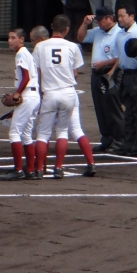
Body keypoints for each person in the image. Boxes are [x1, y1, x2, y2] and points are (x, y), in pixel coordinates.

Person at [32, 15, 97, 178]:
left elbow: (37, 72)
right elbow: (75, 74)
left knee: (43, 133)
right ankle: (58, 168)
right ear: (66, 29)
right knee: (63, 131)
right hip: (68, 92)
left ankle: (39, 169)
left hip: (49, 93)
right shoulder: (72, 46)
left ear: (52, 27)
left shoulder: (40, 46)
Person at [77, 8, 124, 153]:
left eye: (101, 20)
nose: (98, 23)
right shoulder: (98, 32)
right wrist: (85, 24)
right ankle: (107, 139)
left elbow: (122, 56)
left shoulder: (119, 33)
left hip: (111, 73)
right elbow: (80, 38)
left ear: (109, 18)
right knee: (100, 107)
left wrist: (105, 64)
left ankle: (119, 140)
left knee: (112, 107)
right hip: (96, 74)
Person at [0, 27, 41, 180]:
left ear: (21, 39)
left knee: (14, 133)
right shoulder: (27, 53)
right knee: (26, 134)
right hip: (34, 96)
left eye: (13, 38)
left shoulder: (21, 53)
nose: (10, 41)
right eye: (9, 38)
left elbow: (25, 77)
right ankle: (30, 170)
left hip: (28, 95)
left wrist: (17, 93)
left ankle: (18, 170)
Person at [113, 3, 137, 158]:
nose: (120, 18)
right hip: (125, 74)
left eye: (123, 15)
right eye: (118, 16)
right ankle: (128, 144)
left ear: (132, 16)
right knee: (128, 111)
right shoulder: (120, 33)